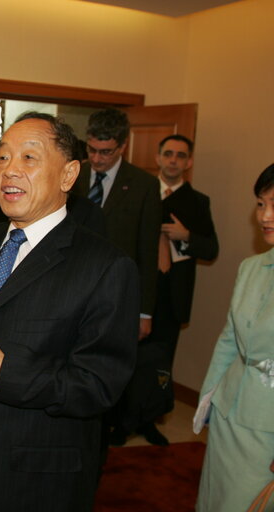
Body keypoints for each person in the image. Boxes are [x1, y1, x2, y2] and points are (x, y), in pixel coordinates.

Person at [0, 112, 138, 511]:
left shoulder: (105, 266)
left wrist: (8, 377)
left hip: (33, 480)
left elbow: (99, 386)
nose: (9, 171)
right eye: (3, 158)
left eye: (28, 158)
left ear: (68, 175)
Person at [119, 134, 218, 446]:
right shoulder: (138, 191)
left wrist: (185, 234)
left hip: (171, 296)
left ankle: (148, 421)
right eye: (168, 154)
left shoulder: (198, 201)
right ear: (159, 158)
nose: (174, 159)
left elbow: (211, 248)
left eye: (181, 155)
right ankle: (120, 420)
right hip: (134, 291)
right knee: (126, 358)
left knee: (159, 363)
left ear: (188, 163)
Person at [70, 108, 161, 446]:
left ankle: (111, 433)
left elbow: (148, 251)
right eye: (91, 149)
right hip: (75, 290)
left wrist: (144, 311)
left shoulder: (144, 186)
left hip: (120, 294)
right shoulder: (73, 175)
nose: (96, 158)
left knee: (110, 366)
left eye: (105, 151)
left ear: (122, 146)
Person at [194, 163, 274, 512]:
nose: (265, 216)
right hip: (229, 413)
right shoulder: (251, 267)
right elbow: (230, 338)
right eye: (260, 203)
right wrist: (209, 398)